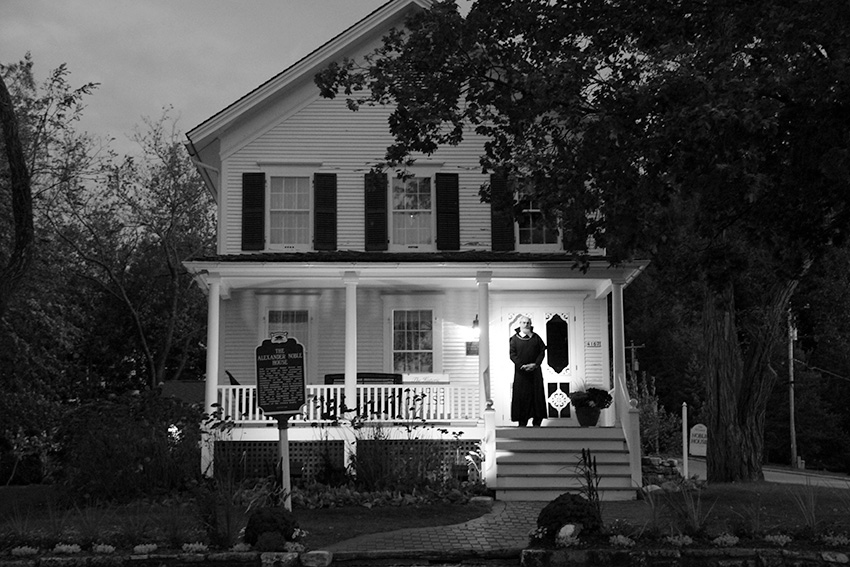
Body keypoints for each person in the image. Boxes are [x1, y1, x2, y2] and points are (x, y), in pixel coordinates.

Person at [510, 316, 548, 427]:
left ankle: (537, 422)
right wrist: (522, 366)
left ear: (530, 324)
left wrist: (535, 364)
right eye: (523, 323)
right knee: (522, 397)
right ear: (520, 324)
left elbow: (542, 352)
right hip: (521, 375)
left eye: (528, 323)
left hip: (535, 373)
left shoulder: (536, 338)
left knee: (537, 396)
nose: (526, 324)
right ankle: (522, 422)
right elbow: (512, 355)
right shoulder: (514, 339)